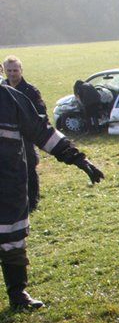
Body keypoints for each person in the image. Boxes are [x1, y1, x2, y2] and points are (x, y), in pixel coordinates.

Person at [1, 84, 104, 310]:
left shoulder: (10, 99)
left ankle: (18, 295)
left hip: (8, 188)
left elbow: (42, 131)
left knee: (13, 241)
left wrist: (77, 158)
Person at [2, 56, 46, 212]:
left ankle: (32, 202)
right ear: (4, 71)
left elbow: (41, 113)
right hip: (6, 139)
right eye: (9, 70)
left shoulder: (30, 91)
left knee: (29, 168)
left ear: (21, 70)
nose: (12, 74)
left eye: (15, 70)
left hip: (26, 137)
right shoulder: (2, 89)